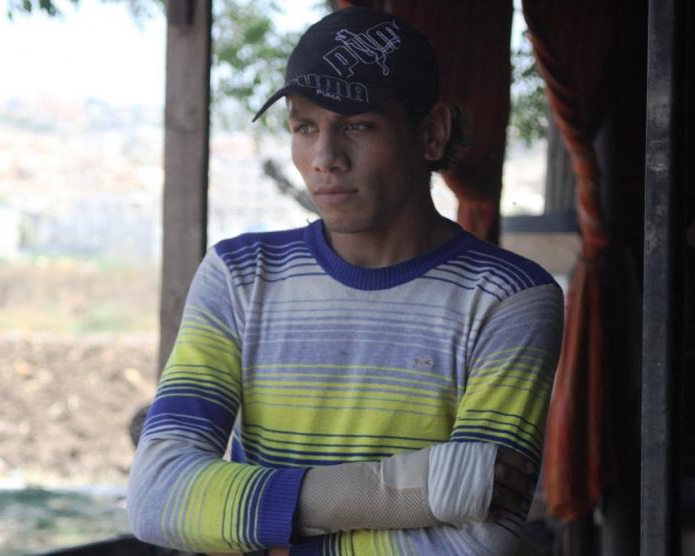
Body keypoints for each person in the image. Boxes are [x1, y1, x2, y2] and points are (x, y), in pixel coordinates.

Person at [128, 7, 563, 555]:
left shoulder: (509, 298)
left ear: (431, 134)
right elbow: (156, 496)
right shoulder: (240, 275)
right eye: (305, 127)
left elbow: (474, 543)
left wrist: (262, 530)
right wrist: (417, 489)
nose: (325, 158)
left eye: (358, 125)